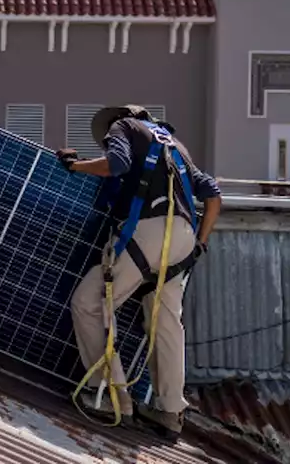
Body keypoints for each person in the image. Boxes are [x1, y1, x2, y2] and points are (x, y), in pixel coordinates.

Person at [57, 105, 222, 438]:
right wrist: (200, 244)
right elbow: (214, 196)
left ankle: (112, 398)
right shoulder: (175, 147)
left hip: (147, 231)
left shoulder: (124, 127)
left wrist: (75, 165)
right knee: (165, 323)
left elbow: (116, 164)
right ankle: (170, 410)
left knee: (89, 303)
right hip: (184, 240)